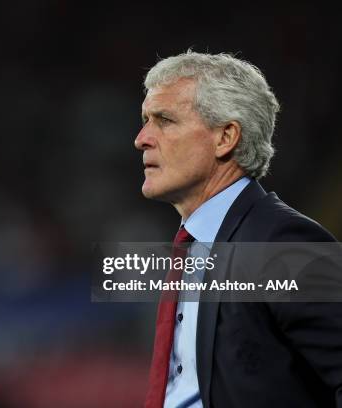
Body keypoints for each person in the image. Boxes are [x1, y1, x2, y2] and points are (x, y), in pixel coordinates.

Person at [135, 51, 342, 407]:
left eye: (165, 120)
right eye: (145, 120)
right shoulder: (195, 248)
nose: (141, 138)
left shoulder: (280, 242)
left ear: (225, 137)